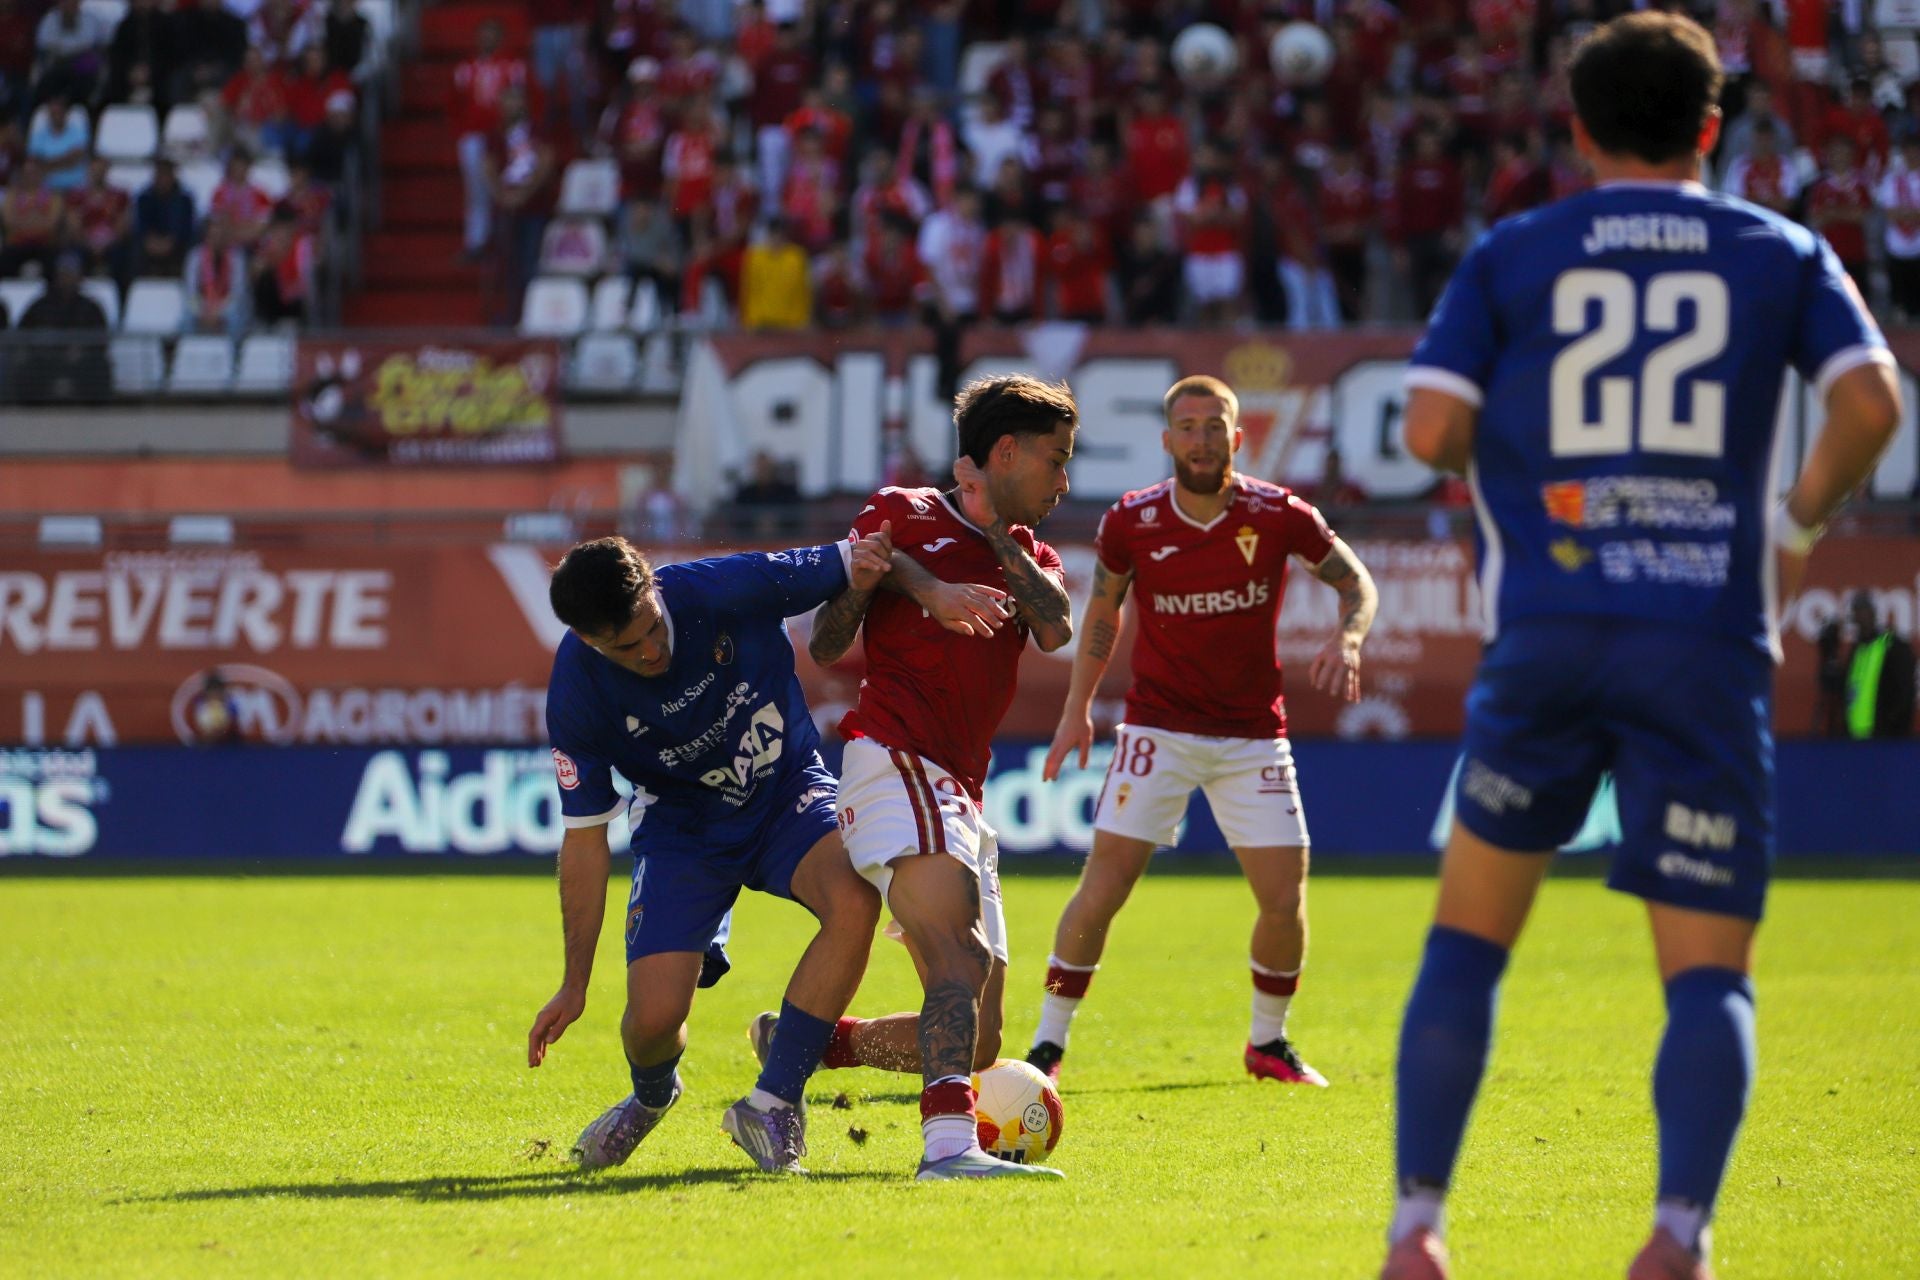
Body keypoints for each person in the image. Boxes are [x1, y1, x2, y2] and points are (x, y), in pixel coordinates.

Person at [1380, 14, 1901, 1280]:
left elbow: (1428, 427)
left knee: (1466, 940)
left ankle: (1417, 1228)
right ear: (1712, 127)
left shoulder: (1516, 249)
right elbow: (1872, 402)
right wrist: (1791, 523)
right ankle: (1677, 1233)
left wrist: (1521, 455)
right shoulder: (1780, 248)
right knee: (1706, 973)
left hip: (1548, 630)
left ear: (1576, 128)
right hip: (1705, 640)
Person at [1024, 375, 1378, 1088]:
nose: (1201, 439)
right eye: (1187, 427)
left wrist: (1349, 638)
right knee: (1103, 889)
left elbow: (1356, 582)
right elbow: (1103, 614)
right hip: (1159, 727)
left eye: (1214, 426)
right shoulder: (1133, 520)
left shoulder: (1280, 514)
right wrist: (1075, 711)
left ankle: (1267, 1044)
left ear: (1237, 437)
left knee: (1285, 898)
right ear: (1166, 441)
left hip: (1253, 735)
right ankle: (1047, 1047)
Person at [525, 532, 894, 1176]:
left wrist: (937, 586)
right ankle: (649, 1098)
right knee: (652, 1022)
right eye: (624, 647)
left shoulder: (723, 586)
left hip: (786, 792)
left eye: (651, 629)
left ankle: (774, 1100)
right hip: (682, 832)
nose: (649, 652)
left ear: (653, 587)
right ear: (588, 640)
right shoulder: (576, 689)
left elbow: (862, 556)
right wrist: (574, 982)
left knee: (855, 898)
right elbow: (584, 838)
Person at [800, 374, 1078, 1181]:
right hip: (896, 759)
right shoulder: (902, 514)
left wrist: (995, 540)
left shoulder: (1028, 549)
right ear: (1003, 452)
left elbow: (1056, 627)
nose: (1064, 480)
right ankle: (949, 1150)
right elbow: (825, 643)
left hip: (958, 787)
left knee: (981, 1030)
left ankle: (816, 1043)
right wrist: (915, 582)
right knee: (958, 962)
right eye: (1055, 461)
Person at [1844, 591, 1916, 739]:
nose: (1859, 617)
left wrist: (1891, 726)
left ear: (1873, 613)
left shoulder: (1891, 645)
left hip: (1884, 738)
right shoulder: (1857, 649)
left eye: (1862, 611)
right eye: (1856, 612)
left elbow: (1905, 692)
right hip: (1856, 736)